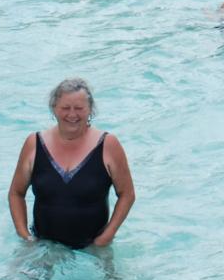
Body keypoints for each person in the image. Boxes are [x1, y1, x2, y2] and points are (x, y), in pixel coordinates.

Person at [9, 78, 135, 249]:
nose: (72, 115)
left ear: (90, 109)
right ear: (54, 109)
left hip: (93, 246)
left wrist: (105, 237)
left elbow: (127, 194)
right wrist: (25, 236)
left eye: (79, 108)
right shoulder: (34, 143)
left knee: (112, 277)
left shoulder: (108, 145)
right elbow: (16, 193)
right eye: (65, 108)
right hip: (43, 244)